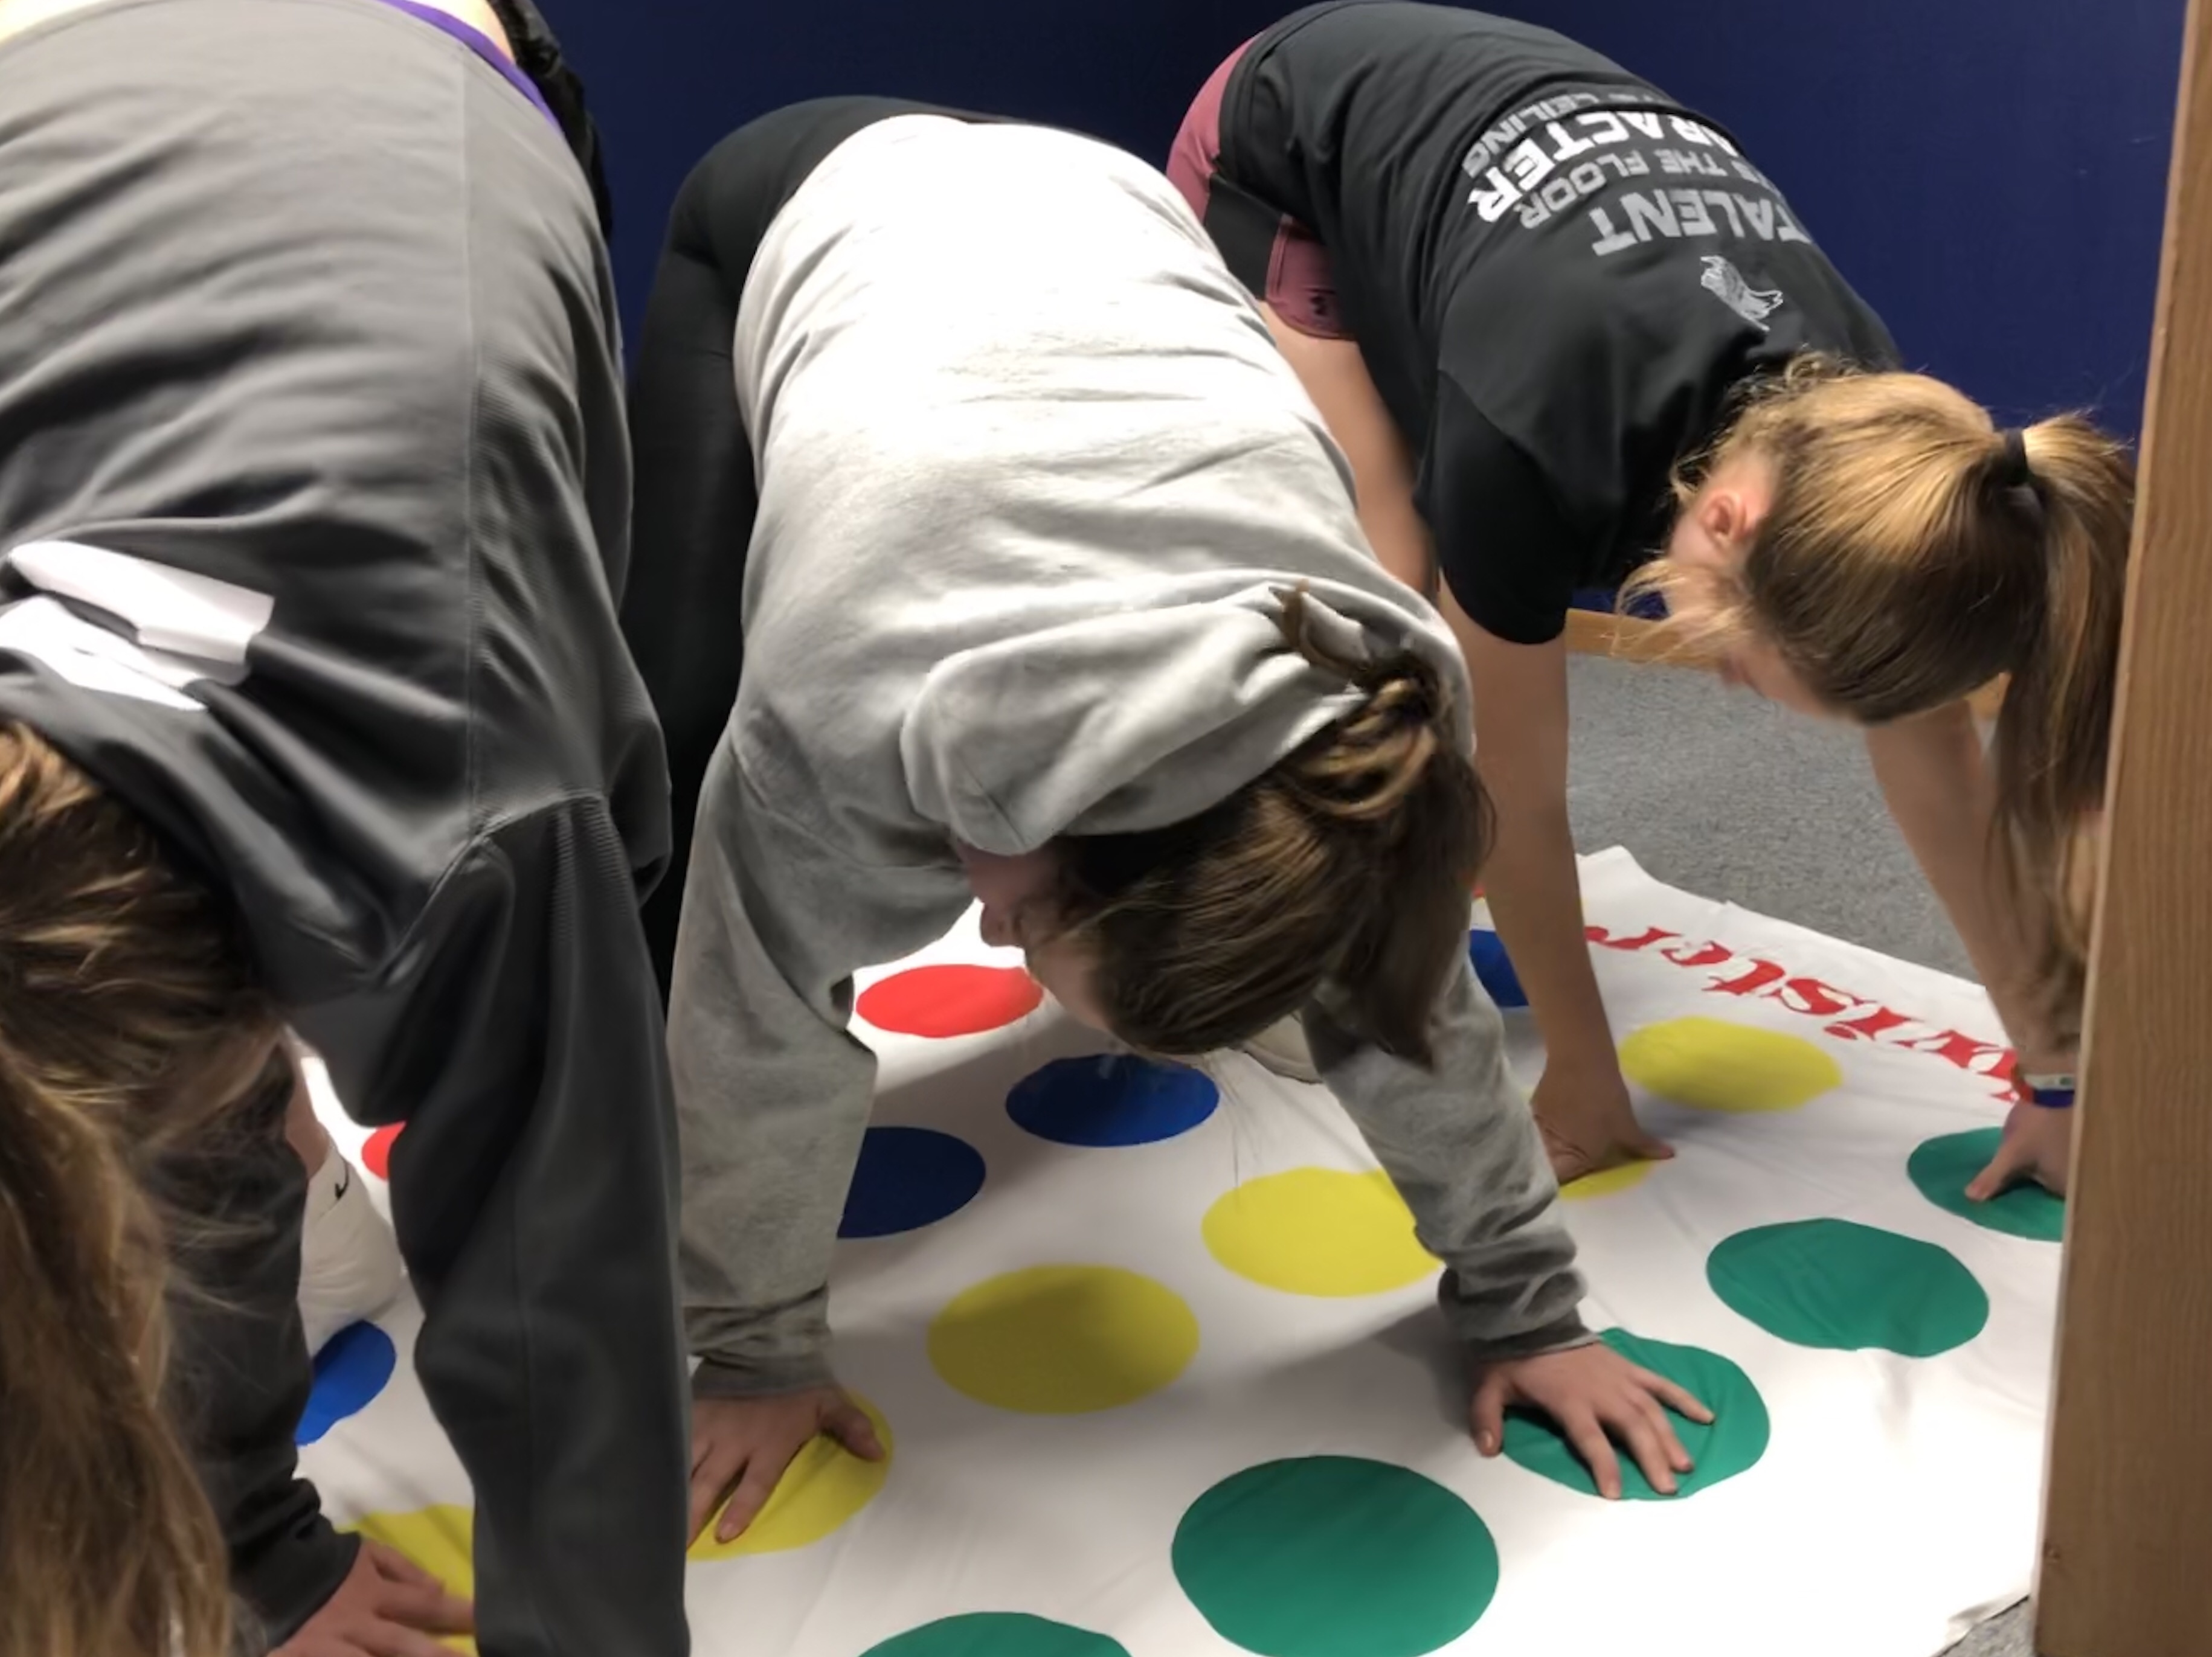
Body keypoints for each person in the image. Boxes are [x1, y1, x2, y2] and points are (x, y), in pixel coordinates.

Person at [622, 96, 1719, 1550]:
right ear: (1054, 825)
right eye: (1029, 920)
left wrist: (1530, 1308)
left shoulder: (1363, 732)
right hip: (803, 195)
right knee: (664, 772)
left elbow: (1411, 1013)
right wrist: (755, 1352)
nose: (986, 930)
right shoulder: (845, 704)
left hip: (1100, 216)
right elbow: (760, 1034)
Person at [1168, 2, 2130, 1196]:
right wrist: (1580, 1074)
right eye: (1735, 661)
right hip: (1282, 137)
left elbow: (1934, 756)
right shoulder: (1531, 436)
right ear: (1725, 525)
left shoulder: (1883, 453)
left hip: (1508, 182)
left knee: (1441, 576)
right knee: (1385, 583)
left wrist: (2055, 1074)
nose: (1720, 681)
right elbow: (1513, 793)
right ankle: (1297, 936)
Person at [0, 2, 690, 1655]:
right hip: (63, 106)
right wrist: (253, 1563)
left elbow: (571, 1339)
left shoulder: (486, 805)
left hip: (418, 63)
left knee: (526, 1050)